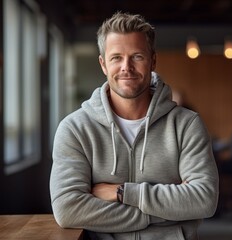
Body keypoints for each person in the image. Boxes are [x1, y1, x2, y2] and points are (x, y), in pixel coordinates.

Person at [50, 12, 219, 240]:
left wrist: (122, 192)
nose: (126, 67)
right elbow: (68, 209)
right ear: (103, 64)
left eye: (137, 56)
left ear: (153, 61)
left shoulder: (186, 125)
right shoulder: (75, 129)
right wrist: (165, 211)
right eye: (116, 57)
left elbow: (204, 200)